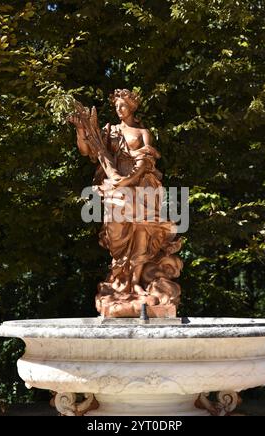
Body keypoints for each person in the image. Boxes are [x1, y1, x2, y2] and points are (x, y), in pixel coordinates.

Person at [68, 89, 182, 317]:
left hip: (142, 186)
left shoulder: (142, 132)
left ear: (132, 107)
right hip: (116, 189)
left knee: (142, 231)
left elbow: (146, 161)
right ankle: (120, 282)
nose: (119, 109)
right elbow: (88, 150)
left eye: (123, 105)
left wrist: (127, 180)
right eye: (117, 106)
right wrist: (81, 129)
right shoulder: (109, 131)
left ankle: (136, 283)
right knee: (116, 232)